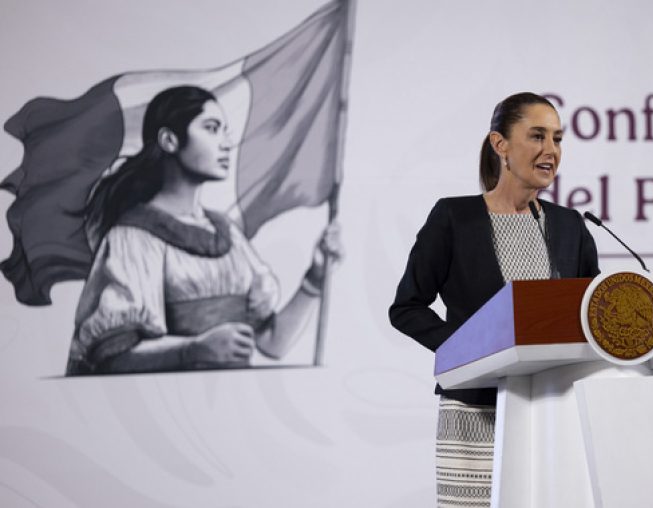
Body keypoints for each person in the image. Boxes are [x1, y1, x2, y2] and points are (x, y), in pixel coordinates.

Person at [389, 92, 600, 506]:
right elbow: (407, 307)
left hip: (553, 410)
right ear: (500, 144)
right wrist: (468, 347)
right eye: (537, 136)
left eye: (558, 139)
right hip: (476, 411)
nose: (551, 151)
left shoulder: (570, 225)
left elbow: (593, 313)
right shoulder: (454, 218)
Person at [66, 85, 341, 375]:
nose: (225, 144)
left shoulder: (228, 234)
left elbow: (273, 343)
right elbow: (112, 358)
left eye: (224, 130)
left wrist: (315, 278)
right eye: (211, 128)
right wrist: (193, 349)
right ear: (169, 140)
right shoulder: (133, 237)